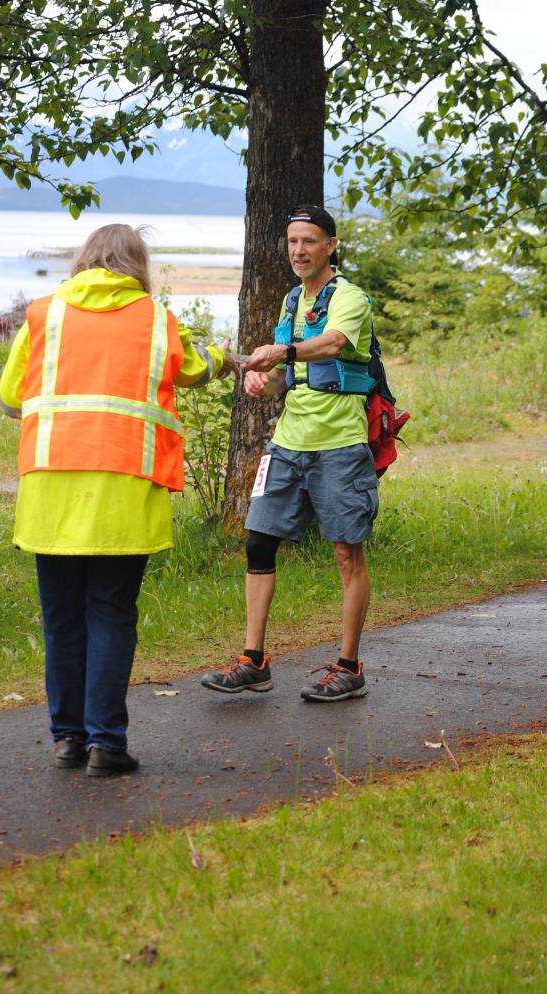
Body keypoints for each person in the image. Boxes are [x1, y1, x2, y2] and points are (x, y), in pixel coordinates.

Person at [0, 224, 239, 775]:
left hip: (51, 488)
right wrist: (226, 357)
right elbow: (196, 369)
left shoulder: (42, 314)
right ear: (138, 265)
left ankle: (67, 739)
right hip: (126, 487)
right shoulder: (156, 318)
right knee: (109, 614)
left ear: (85, 259)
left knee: (61, 620)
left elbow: (12, 397)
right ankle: (107, 744)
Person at [200, 205, 379, 702]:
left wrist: (279, 354)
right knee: (258, 541)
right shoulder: (290, 301)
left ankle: (349, 667)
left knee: (346, 552)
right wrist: (263, 378)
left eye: (310, 241)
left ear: (331, 246)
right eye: (292, 242)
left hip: (340, 444)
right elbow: (284, 375)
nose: (299, 251)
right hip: (288, 443)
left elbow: (332, 345)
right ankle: (253, 661)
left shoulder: (351, 298)